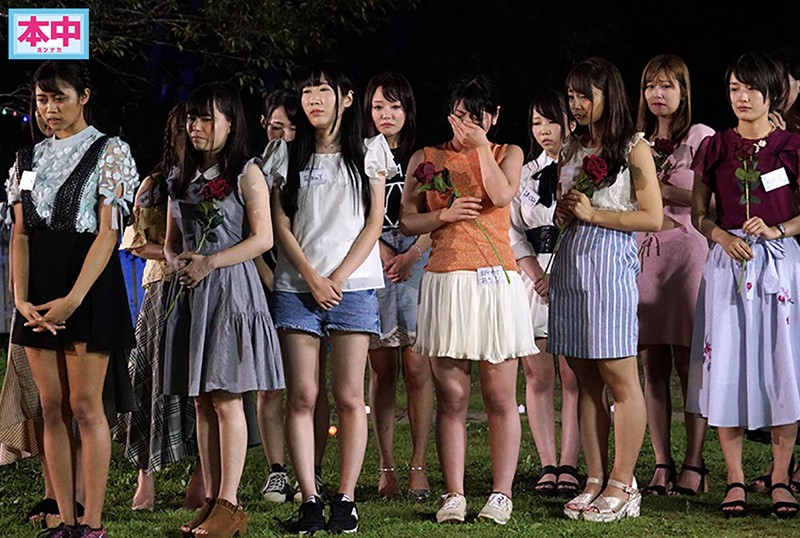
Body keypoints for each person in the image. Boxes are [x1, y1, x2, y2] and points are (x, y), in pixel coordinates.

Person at [8, 60, 139, 538]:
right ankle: (64, 518)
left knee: (86, 405)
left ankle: (92, 522)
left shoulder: (110, 150)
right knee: (51, 407)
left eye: (59, 97)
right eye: (42, 99)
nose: (49, 108)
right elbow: (20, 233)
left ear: (83, 96)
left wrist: (73, 298)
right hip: (39, 290)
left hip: (88, 283)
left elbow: (108, 234)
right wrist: (20, 298)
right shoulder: (27, 159)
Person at [400, 74, 535, 526]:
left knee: (500, 394)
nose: (465, 125)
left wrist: (479, 148)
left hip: (496, 281)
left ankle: (501, 494)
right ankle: (454, 493)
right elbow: (407, 220)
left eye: (475, 117)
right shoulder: (426, 157)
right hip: (447, 279)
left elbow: (501, 195)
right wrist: (443, 214)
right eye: (459, 115)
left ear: (493, 117)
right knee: (453, 395)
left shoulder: (507, 153)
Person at [269, 63, 392, 534]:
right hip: (297, 287)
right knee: (302, 394)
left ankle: (346, 499)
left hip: (353, 288)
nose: (313, 99)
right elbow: (280, 223)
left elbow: (374, 222)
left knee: (349, 396)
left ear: (346, 97)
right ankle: (309, 498)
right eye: (307, 91)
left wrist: (336, 278)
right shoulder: (285, 153)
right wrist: (311, 277)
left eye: (323, 90)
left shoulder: (370, 152)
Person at [161, 83, 284, 537]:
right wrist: (177, 261)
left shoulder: (246, 173)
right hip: (192, 292)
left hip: (230, 291)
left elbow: (263, 238)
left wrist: (211, 262)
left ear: (231, 123)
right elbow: (172, 241)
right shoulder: (180, 176)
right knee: (201, 399)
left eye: (206, 118)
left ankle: (230, 504)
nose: (195, 126)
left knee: (227, 397)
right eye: (191, 118)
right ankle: (212, 499)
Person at [687, 52, 800, 519]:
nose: (742, 97)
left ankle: (780, 477)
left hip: (779, 266)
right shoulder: (715, 146)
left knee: (783, 367)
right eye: (735, 88)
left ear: (772, 93)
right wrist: (719, 236)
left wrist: (777, 230)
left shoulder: (792, 146)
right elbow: (699, 213)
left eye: (751, 88)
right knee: (728, 366)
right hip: (729, 266)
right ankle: (734, 477)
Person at [549, 57, 662, 522]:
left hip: (610, 263)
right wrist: (564, 212)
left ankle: (623, 482)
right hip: (572, 261)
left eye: (584, 95)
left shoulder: (634, 147)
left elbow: (652, 216)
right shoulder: (570, 147)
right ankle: (594, 479)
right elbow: (567, 208)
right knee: (585, 380)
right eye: (571, 95)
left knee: (619, 378)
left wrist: (594, 214)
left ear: (607, 96)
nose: (576, 104)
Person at [112, 103, 205, 512]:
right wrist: (173, 257)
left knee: (204, 380)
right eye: (183, 127)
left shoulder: (219, 178)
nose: (192, 133)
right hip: (163, 286)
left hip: (207, 285)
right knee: (150, 379)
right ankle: (145, 478)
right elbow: (135, 242)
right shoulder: (155, 184)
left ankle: (202, 478)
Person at [633, 54, 714, 497]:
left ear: (683, 91)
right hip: (646, 254)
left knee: (689, 361)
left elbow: (716, 200)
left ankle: (694, 462)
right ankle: (661, 461)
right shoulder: (636, 141)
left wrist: (665, 190)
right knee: (653, 364)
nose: (657, 94)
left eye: (667, 86)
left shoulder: (701, 138)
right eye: (651, 86)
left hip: (688, 253)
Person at [256, 88, 332, 503]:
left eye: (290, 128)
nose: (282, 135)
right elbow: (248, 231)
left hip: (302, 284)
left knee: (311, 384)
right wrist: (265, 273)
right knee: (270, 383)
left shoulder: (308, 165)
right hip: (264, 281)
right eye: (275, 127)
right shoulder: (256, 168)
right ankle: (277, 470)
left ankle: (312, 469)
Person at [363, 72, 433, 500]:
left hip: (417, 260)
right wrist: (382, 251)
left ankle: (418, 466)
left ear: (408, 110)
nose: (386, 115)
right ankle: (386, 465)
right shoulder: (360, 154)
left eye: (394, 106)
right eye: (378, 107)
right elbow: (355, 213)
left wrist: (411, 255)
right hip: (374, 259)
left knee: (418, 367)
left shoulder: (423, 157)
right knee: (382, 368)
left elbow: (438, 212)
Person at [509, 90, 580, 498]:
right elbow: (513, 229)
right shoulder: (524, 173)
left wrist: (558, 273)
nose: (543, 130)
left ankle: (570, 462)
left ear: (569, 122)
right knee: (537, 375)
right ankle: (547, 463)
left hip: (572, 275)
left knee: (573, 375)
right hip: (533, 280)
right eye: (536, 123)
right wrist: (535, 272)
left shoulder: (584, 167)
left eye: (551, 121)